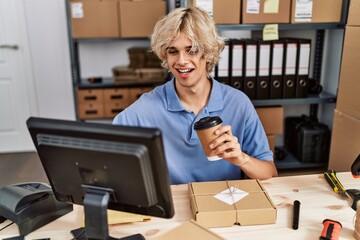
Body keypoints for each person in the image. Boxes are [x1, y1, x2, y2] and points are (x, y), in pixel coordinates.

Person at [113, 7, 278, 184]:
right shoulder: (146, 108)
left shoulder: (238, 103)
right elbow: (109, 156)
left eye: (191, 50)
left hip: (224, 205)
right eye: (173, 51)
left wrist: (242, 159)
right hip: (174, 208)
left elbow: (271, 173)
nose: (181, 61)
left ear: (207, 53)